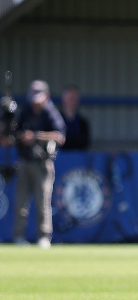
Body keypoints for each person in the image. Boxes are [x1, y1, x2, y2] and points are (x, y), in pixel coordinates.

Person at [13, 80, 66, 249]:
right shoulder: (25, 112)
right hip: (24, 160)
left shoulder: (51, 113)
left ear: (46, 96)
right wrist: (20, 137)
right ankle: (19, 236)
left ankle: (43, 237)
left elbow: (60, 137)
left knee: (43, 201)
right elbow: (14, 133)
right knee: (21, 202)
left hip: (43, 163)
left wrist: (35, 136)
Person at [59, 85, 91, 150]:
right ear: (63, 99)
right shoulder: (53, 120)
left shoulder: (83, 123)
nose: (73, 102)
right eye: (71, 98)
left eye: (75, 99)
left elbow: (84, 143)